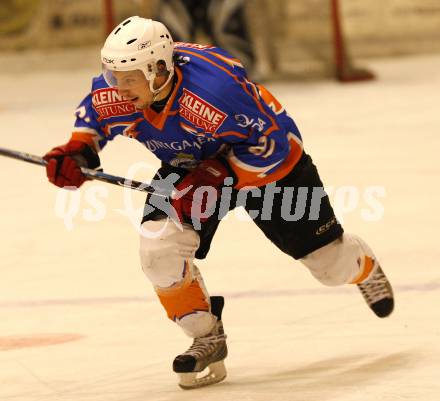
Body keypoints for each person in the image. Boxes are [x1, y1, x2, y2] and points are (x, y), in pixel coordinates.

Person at [43, 16, 394, 390]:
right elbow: (94, 117)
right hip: (188, 166)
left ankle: (361, 264)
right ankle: (207, 336)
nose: (119, 87)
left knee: (329, 267)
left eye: (129, 78)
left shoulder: (216, 90)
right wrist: (78, 149)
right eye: (114, 75)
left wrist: (221, 177)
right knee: (158, 250)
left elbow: (275, 145)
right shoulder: (118, 89)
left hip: (268, 171)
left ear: (159, 70)